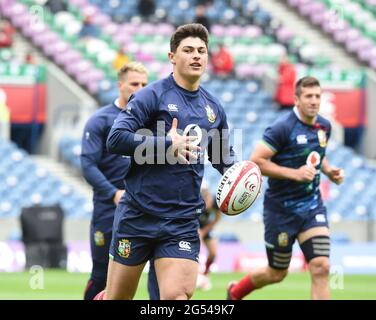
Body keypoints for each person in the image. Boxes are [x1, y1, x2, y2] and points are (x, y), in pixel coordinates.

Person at [95, 23, 235, 300]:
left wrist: (240, 176)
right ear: (172, 57)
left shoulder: (213, 108)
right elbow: (116, 139)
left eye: (201, 51)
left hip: (181, 221)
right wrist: (167, 144)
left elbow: (221, 156)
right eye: (188, 50)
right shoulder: (151, 96)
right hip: (137, 215)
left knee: (176, 299)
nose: (196, 56)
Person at [227, 76, 345, 300]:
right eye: (308, 96)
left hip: (312, 208)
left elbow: (318, 153)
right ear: (296, 99)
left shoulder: (324, 126)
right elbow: (256, 162)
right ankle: (235, 292)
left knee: (321, 266)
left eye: (317, 96)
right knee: (277, 273)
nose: (314, 101)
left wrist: (329, 171)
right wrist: (295, 174)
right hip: (280, 211)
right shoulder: (282, 128)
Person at [81, 62, 156, 300]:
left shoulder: (152, 122)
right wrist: (113, 193)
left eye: (144, 85)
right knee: (102, 275)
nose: (139, 89)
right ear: (120, 85)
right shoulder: (100, 120)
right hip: (108, 208)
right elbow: (88, 165)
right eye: (134, 83)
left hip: (145, 208)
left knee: (157, 273)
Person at [196, 183, 221, 291]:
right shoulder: (195, 202)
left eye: (206, 192)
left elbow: (217, 217)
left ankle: (205, 275)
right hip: (194, 226)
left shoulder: (215, 202)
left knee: (213, 253)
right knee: (196, 252)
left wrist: (205, 230)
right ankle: (197, 276)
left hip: (206, 227)